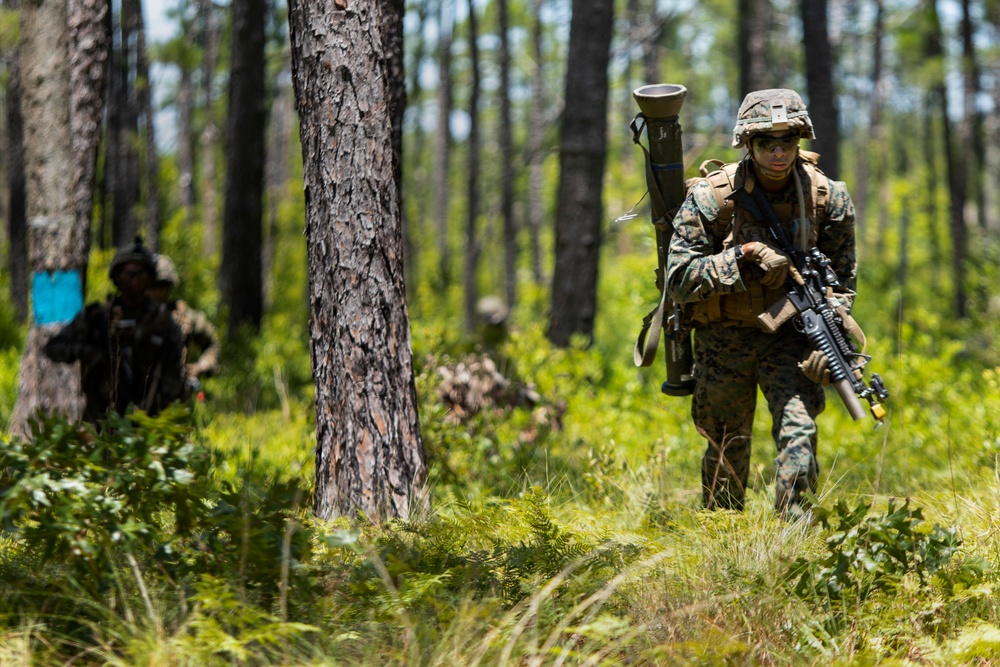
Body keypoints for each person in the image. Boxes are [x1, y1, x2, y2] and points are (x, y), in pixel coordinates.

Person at [664, 89, 857, 520]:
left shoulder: (828, 198)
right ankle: (723, 544)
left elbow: (841, 283)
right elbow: (679, 279)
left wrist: (830, 344)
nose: (778, 152)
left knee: (799, 438)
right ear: (746, 144)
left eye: (787, 141)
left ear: (800, 141)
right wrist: (743, 255)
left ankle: (795, 545)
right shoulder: (712, 198)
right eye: (766, 142)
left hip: (791, 338)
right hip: (724, 338)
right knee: (727, 447)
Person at [44, 237, 186, 423]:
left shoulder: (163, 323)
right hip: (100, 423)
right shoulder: (96, 318)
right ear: (117, 277)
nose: (134, 280)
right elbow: (53, 348)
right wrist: (90, 353)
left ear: (150, 278)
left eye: (140, 274)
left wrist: (155, 416)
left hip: (148, 426)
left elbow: (174, 376)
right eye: (128, 274)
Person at [148, 253, 221, 398]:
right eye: (152, 286)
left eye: (162, 286)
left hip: (174, 403)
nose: (157, 291)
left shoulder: (184, 317)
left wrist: (200, 367)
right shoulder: (127, 314)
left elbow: (213, 344)